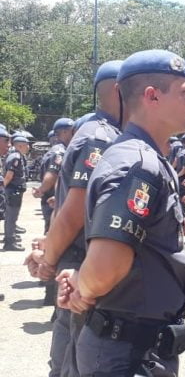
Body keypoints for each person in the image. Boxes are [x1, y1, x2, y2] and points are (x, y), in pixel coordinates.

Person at [54, 50, 185, 376]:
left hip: (133, 343)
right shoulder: (138, 164)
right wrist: (84, 288)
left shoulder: (145, 158)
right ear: (152, 96)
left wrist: (82, 280)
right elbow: (107, 266)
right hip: (126, 351)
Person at [24, 60, 124, 377]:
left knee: (71, 353)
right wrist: (49, 258)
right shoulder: (100, 137)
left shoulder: (99, 132)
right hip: (81, 260)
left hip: (78, 258)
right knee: (77, 357)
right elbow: (76, 208)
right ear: (120, 90)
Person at [33, 118, 75, 304]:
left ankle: (50, 290)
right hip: (55, 204)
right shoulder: (60, 151)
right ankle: (50, 295)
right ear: (63, 133)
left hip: (58, 203)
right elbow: (52, 175)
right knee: (56, 245)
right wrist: (44, 190)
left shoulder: (64, 150)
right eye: (71, 130)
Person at [3, 135, 29, 251]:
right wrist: (3, 188)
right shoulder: (16, 157)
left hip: (15, 190)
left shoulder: (16, 155)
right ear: (19, 145)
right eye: (26, 145)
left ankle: (10, 236)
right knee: (11, 216)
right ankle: (9, 242)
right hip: (13, 190)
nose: (28, 147)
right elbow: (9, 175)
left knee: (11, 216)